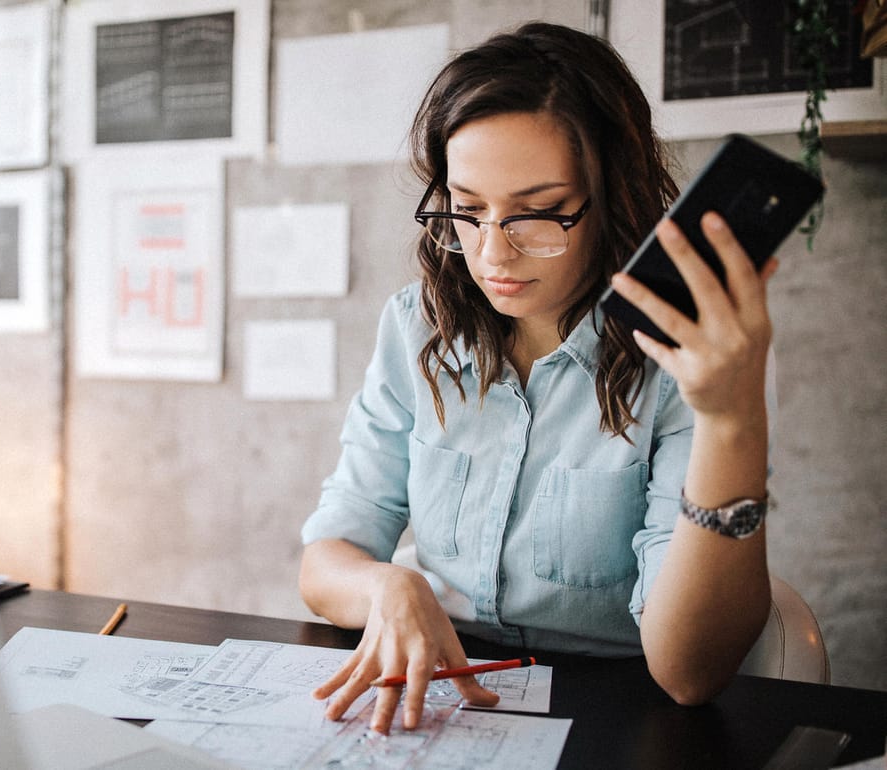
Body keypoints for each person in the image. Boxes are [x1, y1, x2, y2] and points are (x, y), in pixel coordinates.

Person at [298, 21, 777, 734]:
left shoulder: (682, 360)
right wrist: (388, 585)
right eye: (468, 209)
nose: (493, 252)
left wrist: (732, 419)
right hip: (446, 706)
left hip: (618, 717)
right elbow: (327, 559)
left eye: (539, 213)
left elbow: (689, 674)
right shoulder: (417, 328)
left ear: (611, 198)